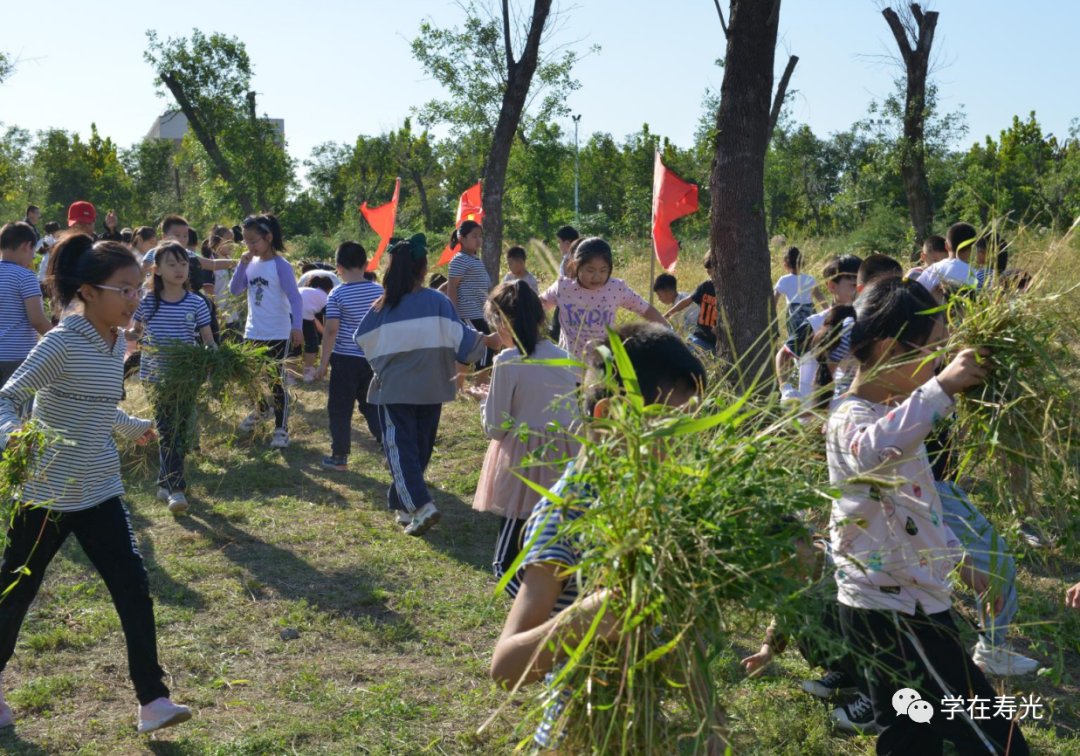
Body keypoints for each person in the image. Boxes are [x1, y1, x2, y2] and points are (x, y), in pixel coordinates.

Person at [827, 277, 1028, 755]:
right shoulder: (851, 418)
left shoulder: (896, 414)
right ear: (887, 348)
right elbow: (873, 450)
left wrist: (964, 565)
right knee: (997, 742)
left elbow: (919, 508)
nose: (940, 361)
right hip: (895, 613)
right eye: (934, 348)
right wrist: (940, 388)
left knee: (909, 737)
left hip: (904, 603)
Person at [0, 234, 191, 734]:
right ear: (89, 291)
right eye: (124, 290)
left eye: (138, 288)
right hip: (46, 493)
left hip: (100, 488)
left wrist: (133, 428)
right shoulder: (63, 341)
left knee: (133, 587)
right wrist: (13, 435)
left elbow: (96, 405)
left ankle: (153, 701)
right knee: (17, 590)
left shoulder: (113, 342)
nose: (135, 299)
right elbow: (8, 396)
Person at [491, 323, 707, 749]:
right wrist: (585, 618)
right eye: (671, 426)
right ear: (610, 415)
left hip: (640, 728)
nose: (687, 441)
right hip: (576, 736)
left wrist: (709, 718)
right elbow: (506, 666)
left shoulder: (653, 498)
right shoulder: (568, 513)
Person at [355, 235, 502, 535]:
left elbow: (363, 342)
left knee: (402, 450)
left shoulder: (382, 306)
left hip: (395, 390)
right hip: (432, 388)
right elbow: (461, 339)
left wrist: (386, 364)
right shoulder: (437, 301)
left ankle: (417, 506)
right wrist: (487, 342)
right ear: (423, 268)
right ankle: (411, 506)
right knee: (419, 449)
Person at [473, 281, 579, 582]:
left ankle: (541, 626)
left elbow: (495, 427)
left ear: (502, 322)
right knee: (551, 558)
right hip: (565, 463)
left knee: (505, 566)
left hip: (523, 465)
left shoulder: (508, 361)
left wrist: (484, 400)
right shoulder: (565, 357)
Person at [126, 241, 214, 513]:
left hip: (186, 378)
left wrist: (215, 360)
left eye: (183, 264)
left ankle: (164, 482)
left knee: (180, 430)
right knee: (168, 430)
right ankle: (177, 489)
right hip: (155, 377)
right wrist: (119, 332)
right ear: (157, 270)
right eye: (172, 264)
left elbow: (208, 340)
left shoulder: (197, 303)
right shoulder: (148, 302)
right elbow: (136, 333)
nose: (179, 269)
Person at [230, 214, 304, 449]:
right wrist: (241, 265)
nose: (250, 247)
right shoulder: (249, 264)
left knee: (275, 380)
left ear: (268, 237)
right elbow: (235, 290)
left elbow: (295, 297)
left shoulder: (280, 265)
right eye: (246, 242)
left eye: (254, 241)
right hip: (253, 331)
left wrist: (297, 327)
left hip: (277, 331)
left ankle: (281, 429)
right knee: (251, 377)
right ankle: (262, 408)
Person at [540, 237, 668, 363]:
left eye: (603, 270)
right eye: (590, 270)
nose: (597, 276)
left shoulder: (616, 288)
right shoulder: (563, 287)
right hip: (570, 366)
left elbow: (644, 309)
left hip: (603, 365)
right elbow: (537, 306)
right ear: (575, 265)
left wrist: (669, 331)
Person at [317, 242, 385, 470]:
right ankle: (388, 444)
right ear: (366, 265)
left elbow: (331, 330)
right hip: (373, 359)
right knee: (372, 404)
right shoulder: (379, 291)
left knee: (340, 408)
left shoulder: (337, 293)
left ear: (339, 268)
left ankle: (339, 457)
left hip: (345, 359)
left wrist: (323, 362)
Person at [779, 254, 861, 405]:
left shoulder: (865, 320)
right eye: (852, 285)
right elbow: (784, 354)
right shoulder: (816, 322)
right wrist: (786, 389)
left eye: (862, 284)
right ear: (831, 286)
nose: (859, 290)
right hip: (812, 413)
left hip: (850, 413)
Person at [0, 222, 53, 385]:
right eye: (33, 251)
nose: (33, 256)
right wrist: (59, 338)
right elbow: (37, 320)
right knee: (16, 408)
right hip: (16, 357)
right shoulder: (26, 277)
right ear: (26, 246)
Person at [446, 220, 494, 374]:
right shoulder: (460, 259)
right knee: (486, 346)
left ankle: (463, 387)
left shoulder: (475, 259)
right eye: (474, 236)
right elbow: (451, 288)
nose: (478, 240)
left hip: (478, 313)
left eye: (480, 236)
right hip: (467, 314)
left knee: (473, 350)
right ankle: (477, 384)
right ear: (462, 238)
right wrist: (454, 315)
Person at [773, 246, 823, 358]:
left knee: (795, 344)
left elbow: (773, 301)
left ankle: (798, 367)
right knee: (811, 342)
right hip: (810, 313)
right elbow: (820, 297)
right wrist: (829, 311)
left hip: (794, 315)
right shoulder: (809, 279)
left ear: (785, 264)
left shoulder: (784, 280)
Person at [665, 253, 719, 354]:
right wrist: (667, 315)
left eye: (712, 271)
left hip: (716, 342)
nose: (710, 275)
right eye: (708, 272)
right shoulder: (706, 286)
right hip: (699, 336)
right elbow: (687, 301)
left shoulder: (728, 293)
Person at [919, 222, 978, 299]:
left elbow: (915, 294)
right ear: (971, 249)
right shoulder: (973, 274)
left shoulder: (931, 270)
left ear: (946, 246)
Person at [298, 275, 333, 382]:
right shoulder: (325, 297)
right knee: (312, 344)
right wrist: (328, 336)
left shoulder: (304, 290)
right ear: (328, 288)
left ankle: (290, 375)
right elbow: (330, 321)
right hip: (303, 317)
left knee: (293, 346)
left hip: (286, 315)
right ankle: (308, 372)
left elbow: (313, 319)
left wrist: (323, 332)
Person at [550, 225, 580, 341]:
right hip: (568, 301)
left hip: (567, 302)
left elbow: (568, 283)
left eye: (559, 242)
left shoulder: (570, 260)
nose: (559, 246)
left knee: (556, 332)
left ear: (567, 243)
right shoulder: (572, 258)